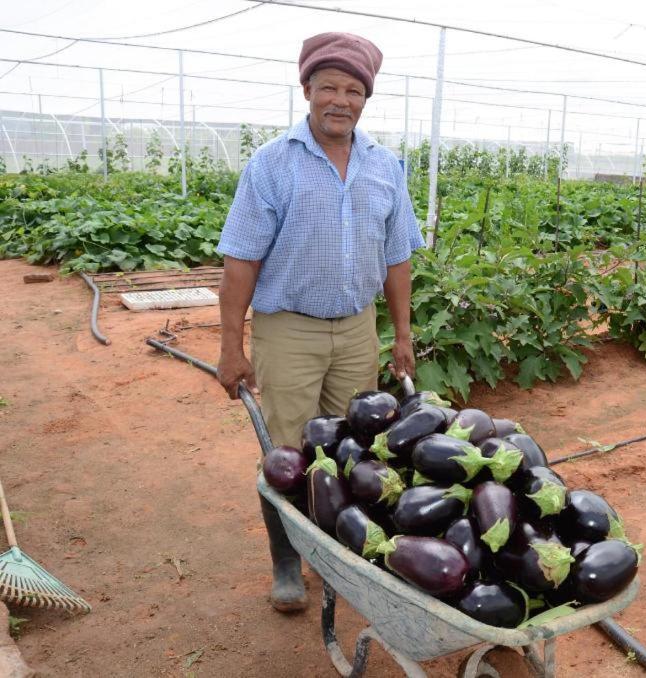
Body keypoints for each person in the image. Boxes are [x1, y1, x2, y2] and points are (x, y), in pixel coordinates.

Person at [215, 32, 424, 612]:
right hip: (289, 329)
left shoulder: (385, 166)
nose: (341, 99)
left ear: (366, 99)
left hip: (357, 327)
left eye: (354, 90)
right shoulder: (273, 163)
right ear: (306, 89)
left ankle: (340, 555)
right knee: (287, 453)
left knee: (357, 448)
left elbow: (398, 257)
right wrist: (231, 347)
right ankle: (287, 562)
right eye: (329, 86)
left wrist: (401, 335)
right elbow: (240, 262)